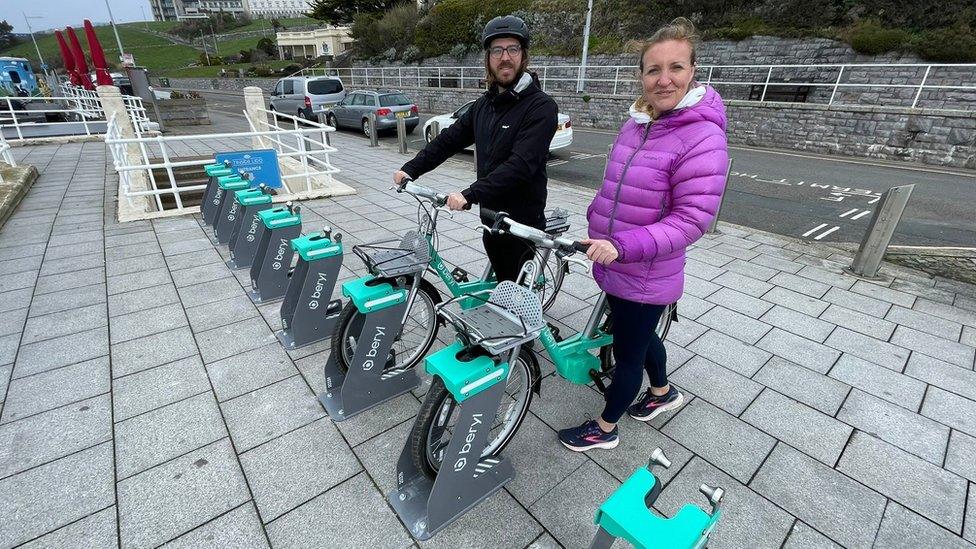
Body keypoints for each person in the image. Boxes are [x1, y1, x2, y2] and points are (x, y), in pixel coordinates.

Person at [558, 17, 729, 452]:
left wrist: (620, 244)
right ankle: (662, 393)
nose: (664, 79)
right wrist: (597, 218)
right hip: (615, 261)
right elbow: (616, 188)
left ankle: (605, 428)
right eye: (653, 69)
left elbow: (693, 219)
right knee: (641, 332)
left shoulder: (702, 136)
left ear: (693, 72)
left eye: (675, 67)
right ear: (642, 75)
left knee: (628, 351)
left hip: (644, 269)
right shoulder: (638, 123)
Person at [393, 15, 558, 282]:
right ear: (488, 58)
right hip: (490, 216)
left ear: (523, 55)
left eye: (512, 49)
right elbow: (448, 140)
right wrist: (410, 169)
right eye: (497, 50)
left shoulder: (541, 107)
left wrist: (470, 194)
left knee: (513, 294)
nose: (505, 57)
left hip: (521, 223)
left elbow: (521, 165)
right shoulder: (483, 106)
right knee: (500, 278)